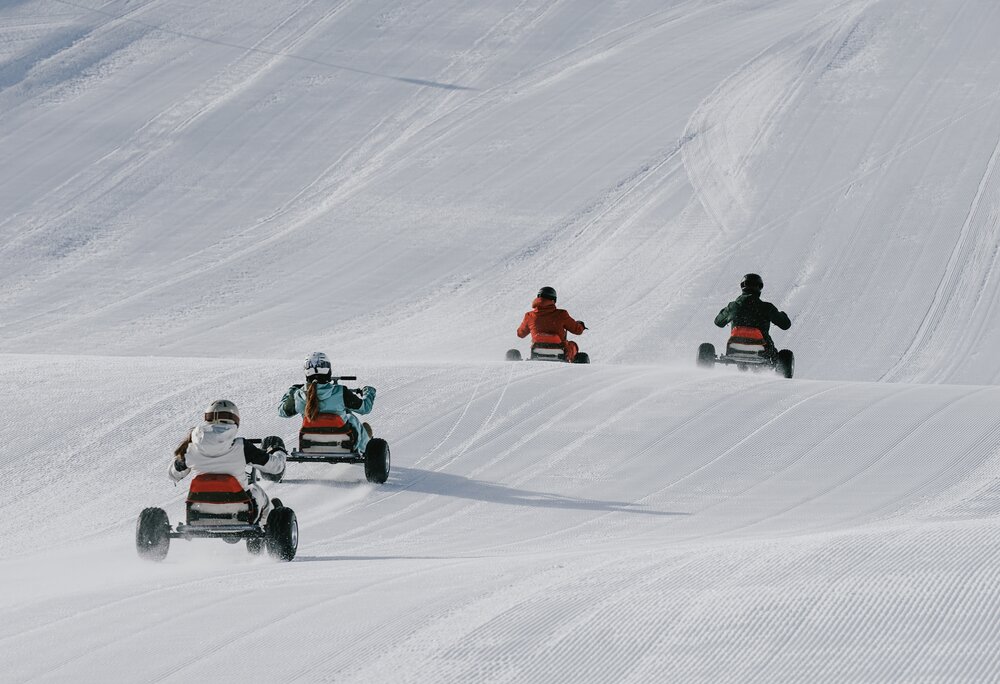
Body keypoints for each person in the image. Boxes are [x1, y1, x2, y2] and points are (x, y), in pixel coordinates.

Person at [169, 399, 287, 522]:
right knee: (258, 492)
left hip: (199, 514)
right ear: (235, 420)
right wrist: (279, 452)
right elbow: (276, 467)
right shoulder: (242, 447)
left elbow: (173, 474)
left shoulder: (191, 448)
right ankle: (264, 533)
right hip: (241, 515)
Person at [278, 352, 376, 455]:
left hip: (310, 444)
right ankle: (366, 446)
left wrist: (292, 391)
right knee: (351, 418)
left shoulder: (298, 395)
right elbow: (365, 408)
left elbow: (282, 411)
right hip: (345, 443)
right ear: (328, 371)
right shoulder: (341, 392)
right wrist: (369, 392)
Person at [714, 273, 791, 352]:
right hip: (762, 349)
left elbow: (718, 322)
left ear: (742, 286)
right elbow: (785, 325)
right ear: (760, 287)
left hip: (735, 347)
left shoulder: (734, 306)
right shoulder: (767, 308)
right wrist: (782, 315)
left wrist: (725, 311)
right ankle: (776, 361)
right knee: (783, 356)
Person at [516, 286, 587, 362]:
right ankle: (577, 369)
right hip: (560, 351)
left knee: (514, 353)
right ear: (554, 300)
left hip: (537, 350)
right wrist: (581, 326)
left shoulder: (529, 316)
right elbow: (577, 330)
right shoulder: (562, 314)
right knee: (573, 345)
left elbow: (520, 334)